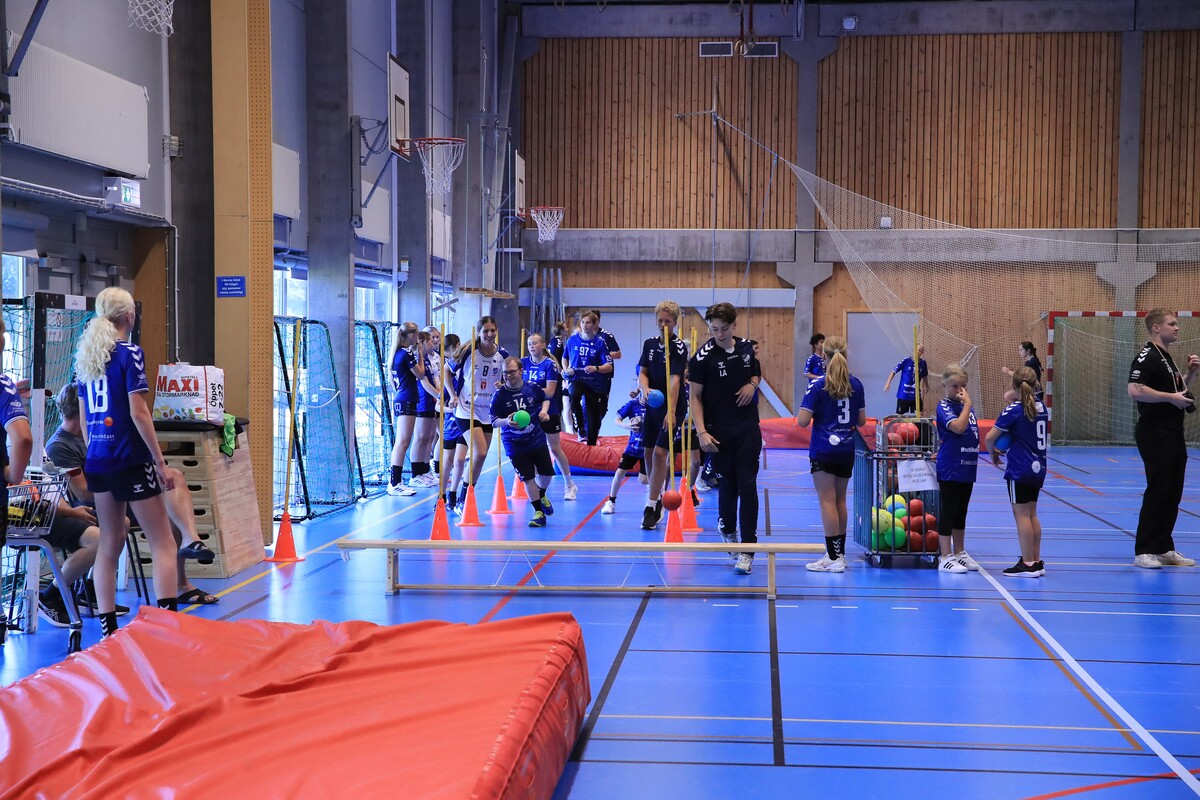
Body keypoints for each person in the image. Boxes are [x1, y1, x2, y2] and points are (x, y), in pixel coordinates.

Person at [48, 382, 219, 606]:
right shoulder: (60, 446)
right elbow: (83, 492)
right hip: (93, 508)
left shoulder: (98, 432)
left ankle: (190, 543)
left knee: (173, 482)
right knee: (162, 511)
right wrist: (126, 484)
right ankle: (180, 583)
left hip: (119, 492)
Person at [74, 287, 181, 636]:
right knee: (163, 541)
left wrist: (97, 453)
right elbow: (139, 412)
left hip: (98, 460)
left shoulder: (86, 358)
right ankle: (168, 625)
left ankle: (108, 628)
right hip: (129, 458)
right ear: (130, 317)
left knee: (110, 542)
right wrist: (159, 461)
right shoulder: (130, 353)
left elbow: (85, 421)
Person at [689, 303, 763, 575]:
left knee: (748, 486)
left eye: (724, 328)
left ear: (734, 325)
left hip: (747, 429)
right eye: (714, 329)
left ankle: (748, 551)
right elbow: (695, 397)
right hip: (718, 433)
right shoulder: (701, 358)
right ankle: (727, 527)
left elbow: (756, 372)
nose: (719, 334)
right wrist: (701, 432)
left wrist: (752, 385)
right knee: (728, 485)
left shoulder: (746, 348)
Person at [1126, 309, 1198, 569]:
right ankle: (1144, 550)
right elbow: (1134, 390)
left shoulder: (1166, 357)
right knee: (1158, 489)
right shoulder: (1147, 355)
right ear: (1156, 327)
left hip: (1173, 430)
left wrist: (1191, 373)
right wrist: (1171, 398)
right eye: (1172, 324)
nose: (1177, 328)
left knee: (1172, 491)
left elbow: (1178, 393)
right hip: (1155, 432)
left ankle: (1163, 547)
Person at [796, 336, 866, 573]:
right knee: (840, 500)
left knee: (827, 500)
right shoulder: (856, 384)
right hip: (846, 448)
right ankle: (839, 554)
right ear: (846, 355)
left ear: (823, 356)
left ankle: (833, 557)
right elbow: (861, 420)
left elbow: (802, 421)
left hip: (823, 449)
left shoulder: (818, 385)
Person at [984, 366, 1049, 578]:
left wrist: (993, 453)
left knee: (1021, 515)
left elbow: (990, 437)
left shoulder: (1013, 410)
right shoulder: (1041, 406)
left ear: (1014, 386)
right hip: (1039, 467)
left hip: (1020, 468)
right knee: (1032, 513)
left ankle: (1028, 563)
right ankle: (1036, 561)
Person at [637, 300, 689, 530]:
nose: (663, 325)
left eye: (668, 321)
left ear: (675, 323)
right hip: (652, 405)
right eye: (660, 320)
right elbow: (643, 372)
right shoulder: (649, 344)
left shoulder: (679, 348)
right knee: (648, 453)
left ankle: (651, 506)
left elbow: (675, 380)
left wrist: (671, 410)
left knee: (660, 454)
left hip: (673, 406)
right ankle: (656, 494)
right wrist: (645, 389)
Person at [450, 316, 508, 516]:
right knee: (480, 452)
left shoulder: (502, 354)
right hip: (467, 409)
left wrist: (503, 385)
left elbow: (508, 378)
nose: (490, 334)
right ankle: (462, 499)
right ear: (479, 332)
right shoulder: (468, 352)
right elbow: (447, 370)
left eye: (493, 330)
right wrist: (452, 395)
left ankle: (457, 496)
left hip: (488, 412)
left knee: (479, 459)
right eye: (486, 331)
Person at [490, 357, 556, 527]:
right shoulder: (499, 396)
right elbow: (494, 421)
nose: (508, 376)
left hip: (536, 438)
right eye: (505, 373)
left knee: (547, 473)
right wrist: (506, 421)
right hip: (514, 443)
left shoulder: (532, 388)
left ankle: (541, 494)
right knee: (528, 478)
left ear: (520, 371)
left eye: (512, 372)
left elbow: (546, 398)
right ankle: (538, 512)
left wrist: (544, 411)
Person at [934, 365, 980, 574]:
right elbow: (959, 428)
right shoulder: (945, 406)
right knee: (949, 510)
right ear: (944, 385)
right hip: (951, 466)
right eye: (955, 386)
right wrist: (968, 404)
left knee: (962, 511)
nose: (960, 391)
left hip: (967, 465)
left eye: (963, 386)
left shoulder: (967, 409)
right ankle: (945, 556)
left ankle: (960, 552)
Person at [523, 332, 578, 500]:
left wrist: (528, 390)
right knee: (530, 449)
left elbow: (550, 391)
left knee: (554, 448)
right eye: (529, 344)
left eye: (535, 343)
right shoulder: (523, 363)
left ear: (543, 345)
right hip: (529, 412)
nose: (531, 346)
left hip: (549, 411)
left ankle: (569, 484)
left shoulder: (550, 364)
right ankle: (535, 488)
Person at [563, 311, 613, 446]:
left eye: (588, 323)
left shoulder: (600, 343)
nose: (585, 325)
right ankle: (580, 427)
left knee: (594, 420)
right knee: (574, 395)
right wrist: (566, 369)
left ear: (594, 325)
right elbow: (564, 357)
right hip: (577, 378)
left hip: (594, 383)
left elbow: (609, 366)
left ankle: (591, 441)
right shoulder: (572, 340)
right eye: (583, 322)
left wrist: (596, 368)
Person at [386, 322, 423, 496]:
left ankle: (396, 481)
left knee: (403, 441)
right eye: (417, 335)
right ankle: (395, 482)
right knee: (402, 441)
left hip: (403, 397)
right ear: (412, 335)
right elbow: (420, 374)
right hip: (406, 399)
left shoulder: (396, 353)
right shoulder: (406, 353)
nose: (418, 339)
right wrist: (420, 353)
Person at [407, 329, 442, 489]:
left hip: (431, 401)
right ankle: (416, 474)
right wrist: (439, 395)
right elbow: (424, 383)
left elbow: (434, 379)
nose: (433, 343)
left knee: (429, 438)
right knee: (420, 438)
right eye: (429, 341)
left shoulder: (428, 360)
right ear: (422, 343)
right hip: (422, 401)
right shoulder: (417, 359)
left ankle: (425, 470)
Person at [602, 393, 648, 515]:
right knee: (620, 472)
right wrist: (627, 426)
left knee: (644, 480)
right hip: (633, 447)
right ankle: (611, 501)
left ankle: (658, 491)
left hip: (648, 448)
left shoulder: (655, 405)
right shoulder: (633, 404)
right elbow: (617, 420)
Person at [884, 345, 929, 415]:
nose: (918, 352)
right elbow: (894, 371)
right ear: (913, 350)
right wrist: (888, 383)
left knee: (919, 415)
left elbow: (924, 375)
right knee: (899, 416)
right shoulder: (906, 361)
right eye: (916, 349)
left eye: (920, 351)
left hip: (915, 395)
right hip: (904, 394)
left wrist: (927, 386)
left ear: (922, 352)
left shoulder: (923, 363)